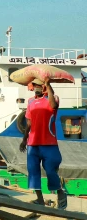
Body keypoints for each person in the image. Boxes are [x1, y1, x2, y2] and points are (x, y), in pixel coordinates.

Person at [19, 77, 66, 208]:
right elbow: (29, 122)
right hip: (32, 144)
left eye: (39, 85)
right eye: (34, 85)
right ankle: (39, 198)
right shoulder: (30, 102)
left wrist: (48, 85)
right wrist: (24, 139)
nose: (36, 88)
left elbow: (53, 106)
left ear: (44, 87)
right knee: (33, 171)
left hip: (49, 143)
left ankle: (60, 192)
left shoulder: (52, 98)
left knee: (51, 170)